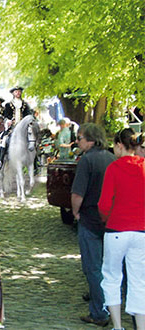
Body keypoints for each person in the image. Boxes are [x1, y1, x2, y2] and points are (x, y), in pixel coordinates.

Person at [98, 128, 145, 330]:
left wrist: (107, 218)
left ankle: (118, 326)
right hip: (141, 231)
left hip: (116, 229)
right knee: (138, 281)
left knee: (112, 277)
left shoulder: (114, 168)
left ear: (119, 145)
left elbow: (104, 203)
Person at [71, 123, 115, 327]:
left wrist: (75, 212)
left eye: (79, 138)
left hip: (90, 219)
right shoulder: (110, 158)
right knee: (108, 268)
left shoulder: (87, 161)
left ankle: (99, 312)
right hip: (110, 220)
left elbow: (77, 193)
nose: (77, 141)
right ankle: (105, 303)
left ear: (90, 140)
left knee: (92, 268)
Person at [0, 86, 33, 169]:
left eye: (19, 91)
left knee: (32, 138)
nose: (18, 93)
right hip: (12, 128)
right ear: (13, 93)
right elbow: (5, 116)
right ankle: (0, 161)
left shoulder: (25, 105)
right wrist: (8, 120)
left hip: (23, 128)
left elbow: (28, 115)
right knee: (4, 139)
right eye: (16, 92)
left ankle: (34, 162)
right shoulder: (8, 105)